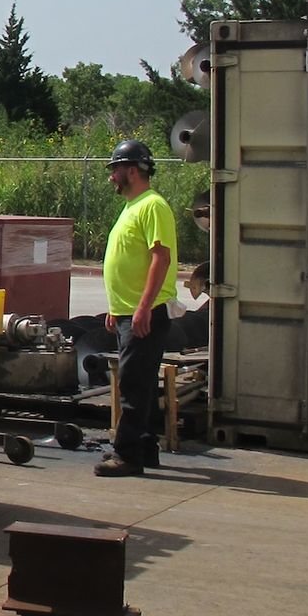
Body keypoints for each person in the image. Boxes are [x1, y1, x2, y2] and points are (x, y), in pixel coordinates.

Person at [95, 138, 176, 476]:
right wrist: (117, 307)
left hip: (145, 313)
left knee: (132, 383)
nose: (112, 176)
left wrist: (142, 308)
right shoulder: (133, 205)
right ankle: (145, 448)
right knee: (139, 383)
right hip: (130, 312)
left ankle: (127, 455)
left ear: (132, 170)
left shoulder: (152, 206)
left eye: (115, 170)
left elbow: (161, 257)